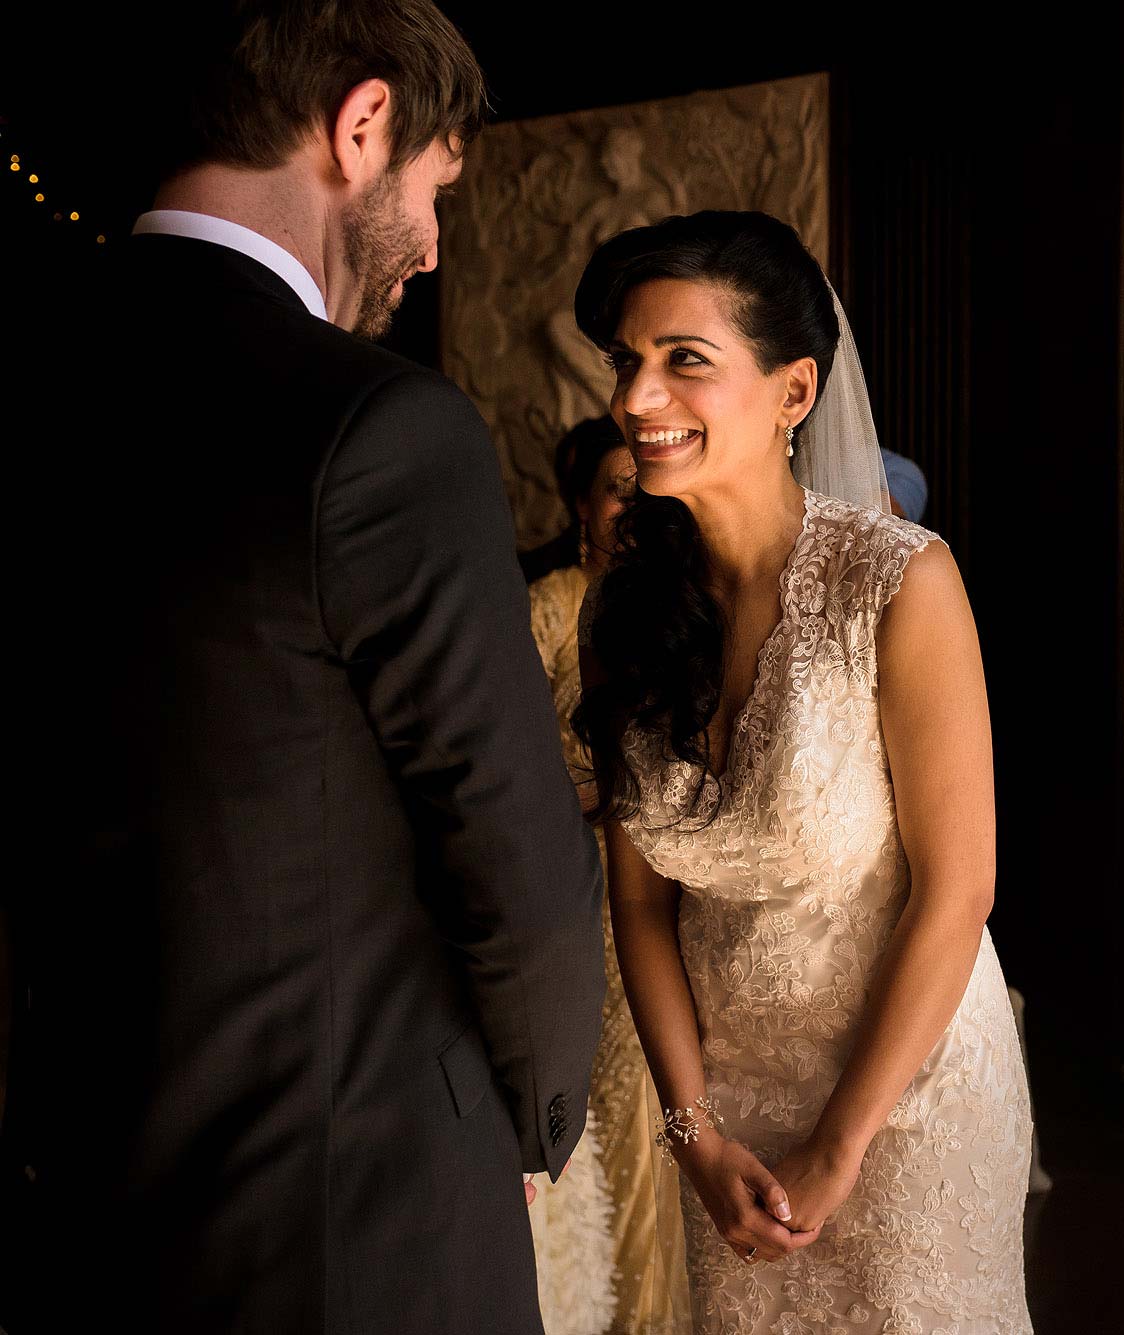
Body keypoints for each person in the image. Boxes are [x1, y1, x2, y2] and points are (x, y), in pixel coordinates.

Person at [1, 4, 606, 1331]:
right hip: (350, 1216)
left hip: (62, 1203)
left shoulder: (24, 381)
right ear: (362, 123)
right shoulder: (378, 427)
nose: (432, 246)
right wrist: (536, 1118)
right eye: (436, 189)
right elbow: (516, 858)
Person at [571, 212, 1032, 1333]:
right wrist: (694, 1133)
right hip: (729, 1115)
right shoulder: (623, 612)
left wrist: (839, 1144)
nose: (637, 398)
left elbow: (958, 890)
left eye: (684, 359)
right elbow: (640, 904)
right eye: (627, 361)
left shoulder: (898, 583)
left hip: (908, 1101)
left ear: (794, 392)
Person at [525, 418, 691, 1333]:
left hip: (680, 885)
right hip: (584, 895)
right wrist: (602, 790)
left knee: (681, 1109)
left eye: (642, 488)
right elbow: (511, 767)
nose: (632, 505)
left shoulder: (671, 603)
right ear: (582, 506)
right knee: (620, 1112)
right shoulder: (548, 607)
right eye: (616, 489)